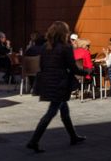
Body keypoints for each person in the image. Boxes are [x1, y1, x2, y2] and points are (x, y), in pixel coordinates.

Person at [26, 21, 88, 153]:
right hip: (59, 83)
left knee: (64, 110)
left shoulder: (45, 47)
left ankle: (73, 137)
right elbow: (73, 68)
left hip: (47, 82)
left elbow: (42, 66)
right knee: (51, 112)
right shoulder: (66, 47)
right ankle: (34, 141)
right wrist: (86, 72)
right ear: (64, 33)